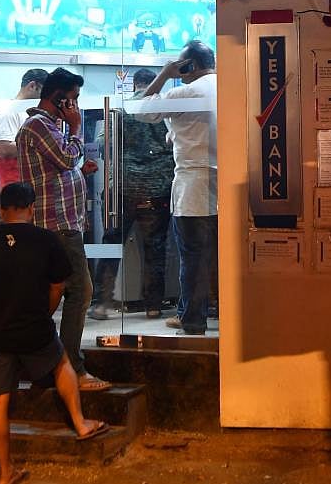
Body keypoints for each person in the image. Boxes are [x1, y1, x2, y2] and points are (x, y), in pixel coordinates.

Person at [0, 181, 108, 484]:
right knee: (62, 363)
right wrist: (44, 312)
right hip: (35, 328)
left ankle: (4, 474)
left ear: (0, 210)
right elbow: (58, 286)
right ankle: (81, 424)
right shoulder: (46, 241)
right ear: (31, 208)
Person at [17, 67, 109, 390]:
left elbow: (61, 168)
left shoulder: (48, 128)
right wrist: (76, 127)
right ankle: (71, 368)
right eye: (73, 100)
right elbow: (66, 158)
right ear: (59, 98)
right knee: (80, 292)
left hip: (61, 223)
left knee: (58, 296)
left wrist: (79, 170)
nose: (77, 107)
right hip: (55, 226)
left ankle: (49, 365)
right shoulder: (38, 126)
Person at [134, 40, 217, 336]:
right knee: (221, 257)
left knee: (194, 256)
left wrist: (166, 73)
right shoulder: (229, 85)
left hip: (193, 187)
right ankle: (212, 314)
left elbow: (141, 110)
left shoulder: (184, 91)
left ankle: (192, 320)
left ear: (188, 65)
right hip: (226, 184)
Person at [89, 68, 175, 321]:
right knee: (155, 248)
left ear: (134, 84)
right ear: (154, 84)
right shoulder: (165, 112)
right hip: (156, 188)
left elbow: (104, 144)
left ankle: (103, 303)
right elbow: (174, 143)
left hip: (122, 189)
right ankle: (153, 306)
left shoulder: (119, 109)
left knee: (111, 245)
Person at [0, 68, 48, 189]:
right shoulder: (9, 112)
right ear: (33, 86)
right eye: (43, 94)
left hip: (28, 185)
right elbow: (4, 148)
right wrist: (41, 146)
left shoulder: (27, 112)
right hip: (15, 187)